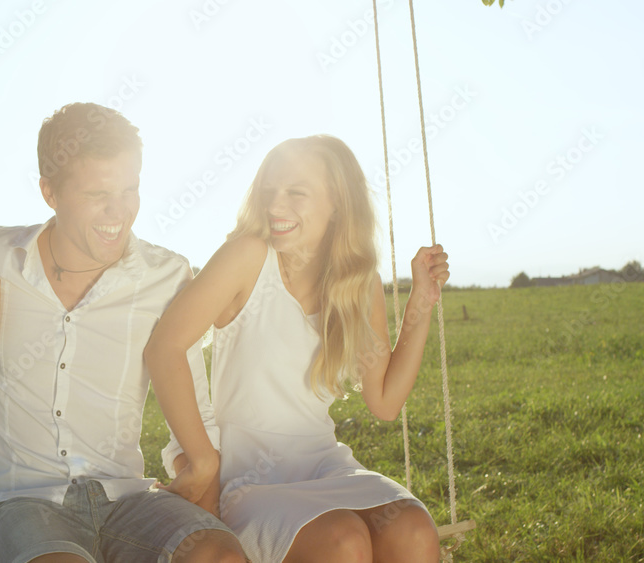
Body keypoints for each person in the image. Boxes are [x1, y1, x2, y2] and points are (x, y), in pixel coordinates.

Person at [0, 102, 247, 563]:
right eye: (97, 194)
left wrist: (202, 480)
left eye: (130, 190)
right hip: (24, 498)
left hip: (128, 497)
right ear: (50, 192)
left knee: (218, 555)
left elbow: (192, 396)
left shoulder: (166, 274)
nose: (119, 211)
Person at [145, 135, 448, 563]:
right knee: (343, 541)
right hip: (248, 478)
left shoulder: (357, 282)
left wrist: (420, 301)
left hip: (325, 464)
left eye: (296, 193)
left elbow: (385, 401)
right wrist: (200, 464)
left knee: (414, 529)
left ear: (338, 204)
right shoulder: (248, 257)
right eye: (270, 191)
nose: (275, 206)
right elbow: (165, 348)